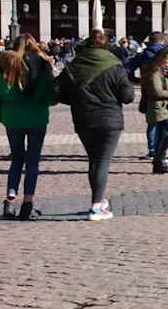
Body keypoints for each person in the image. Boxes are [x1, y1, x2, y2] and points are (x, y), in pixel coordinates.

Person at [56, 29, 134, 221]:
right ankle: (96, 207)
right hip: (109, 120)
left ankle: (98, 199)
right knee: (102, 161)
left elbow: (55, 93)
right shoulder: (115, 66)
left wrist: (76, 100)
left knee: (94, 160)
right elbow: (128, 96)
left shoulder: (74, 66)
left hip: (83, 119)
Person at [0, 35, 56, 221]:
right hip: (36, 118)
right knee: (32, 162)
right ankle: (27, 204)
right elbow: (51, 94)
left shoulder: (3, 65)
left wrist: (2, 116)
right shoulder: (42, 65)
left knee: (16, 159)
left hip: (12, 119)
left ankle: (10, 200)